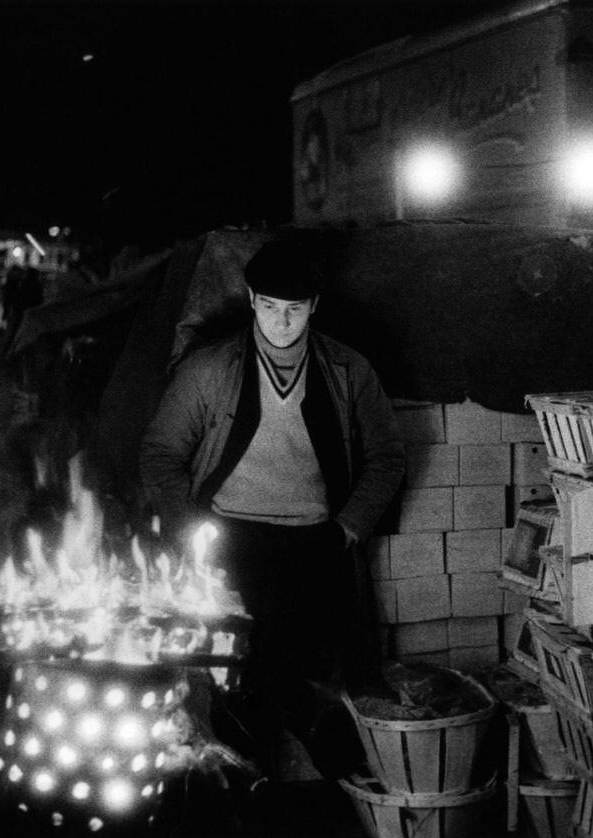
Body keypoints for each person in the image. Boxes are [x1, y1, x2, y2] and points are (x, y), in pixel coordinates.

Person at [138, 240, 405, 785]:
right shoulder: (210, 369)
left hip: (315, 540)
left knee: (303, 662)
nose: (282, 322)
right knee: (238, 668)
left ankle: (311, 770)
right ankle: (253, 776)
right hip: (230, 537)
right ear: (252, 300)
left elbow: (388, 457)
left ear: (314, 307)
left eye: (295, 309)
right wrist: (190, 530)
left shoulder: (347, 370)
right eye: (270, 306)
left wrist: (349, 527)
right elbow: (160, 454)